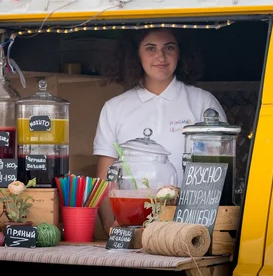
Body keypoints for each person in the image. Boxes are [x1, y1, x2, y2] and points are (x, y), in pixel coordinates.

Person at [93, 28, 227, 232]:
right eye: (150, 48)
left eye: (169, 47)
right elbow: (105, 176)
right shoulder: (114, 107)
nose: (161, 56)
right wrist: (109, 227)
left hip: (190, 223)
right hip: (131, 223)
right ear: (135, 54)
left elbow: (219, 171)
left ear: (180, 52)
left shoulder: (202, 102)